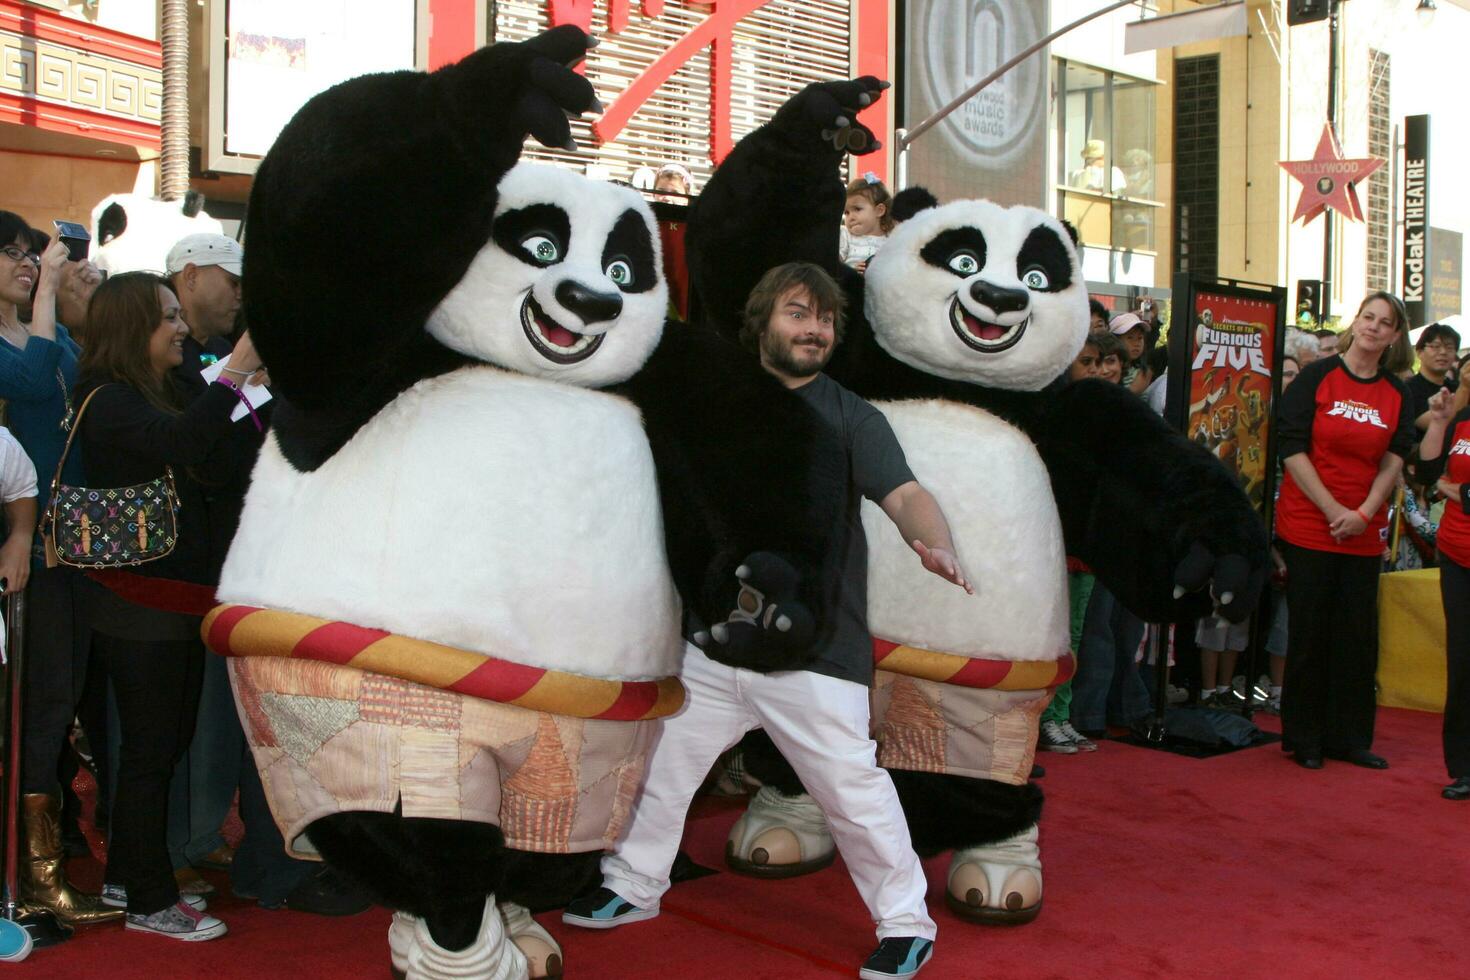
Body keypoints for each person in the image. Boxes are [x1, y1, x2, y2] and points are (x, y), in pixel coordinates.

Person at [564, 262, 973, 980]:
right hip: (715, 643)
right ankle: (634, 884)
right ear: (761, 323)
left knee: (852, 794)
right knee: (661, 767)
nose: (813, 330)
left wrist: (931, 540)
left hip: (814, 651)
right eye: (797, 313)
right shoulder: (712, 397)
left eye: (824, 320)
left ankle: (906, 922)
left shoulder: (850, 414)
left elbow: (905, 493)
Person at [74, 270, 264, 940]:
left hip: (179, 601)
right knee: (151, 752)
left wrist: (248, 384)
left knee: (163, 746)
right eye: (167, 319)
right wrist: (236, 370)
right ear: (134, 327)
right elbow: (185, 443)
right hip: (134, 605)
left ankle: (133, 877)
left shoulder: (165, 386)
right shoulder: (106, 400)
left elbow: (220, 448)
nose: (182, 329)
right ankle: (149, 901)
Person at [0, 211, 120, 926]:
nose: (26, 262)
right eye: (11, 254)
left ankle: (45, 871)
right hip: (23, 547)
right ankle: (34, 880)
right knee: (36, 709)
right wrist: (46, 292)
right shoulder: (29, 343)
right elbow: (34, 379)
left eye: (29, 253)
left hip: (73, 543)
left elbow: (78, 387)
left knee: (58, 700)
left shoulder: (57, 338)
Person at [1275, 291, 1416, 771]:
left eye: (1385, 323)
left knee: (1357, 636)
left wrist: (1363, 511)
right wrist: (1334, 508)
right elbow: (1291, 448)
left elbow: (1395, 457)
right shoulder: (1316, 377)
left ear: (1395, 336)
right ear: (1355, 323)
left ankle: (1349, 737)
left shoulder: (1397, 393)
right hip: (1311, 524)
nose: (1374, 327)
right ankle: (1304, 736)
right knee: (1311, 633)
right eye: (1368, 317)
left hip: (1363, 528)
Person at [1415, 388, 1470, 799]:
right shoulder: (1463, 419)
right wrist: (1438, 419)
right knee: (1463, 662)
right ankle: (1464, 768)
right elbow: (1427, 469)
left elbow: (1453, 489)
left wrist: (1457, 492)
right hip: (1456, 554)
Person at [1406, 323, 1460, 431]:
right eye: (1435, 346)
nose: (1443, 352)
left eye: (1449, 348)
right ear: (1419, 352)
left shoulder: (1456, 387)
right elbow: (1429, 423)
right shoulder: (1408, 389)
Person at [840, 173, 894, 272]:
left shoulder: (891, 239)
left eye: (857, 209)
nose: (850, 217)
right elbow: (833, 265)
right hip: (852, 285)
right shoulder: (846, 236)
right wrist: (850, 272)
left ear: (879, 210)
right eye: (846, 212)